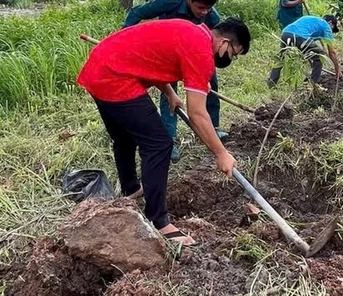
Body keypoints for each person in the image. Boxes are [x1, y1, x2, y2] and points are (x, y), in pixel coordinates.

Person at [77, 18, 251, 246]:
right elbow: (198, 114)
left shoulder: (192, 32)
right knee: (159, 144)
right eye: (233, 54)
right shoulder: (201, 51)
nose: (230, 59)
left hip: (100, 67)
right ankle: (158, 221)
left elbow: (153, 60)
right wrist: (221, 153)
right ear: (224, 43)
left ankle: (132, 189)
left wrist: (169, 93)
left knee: (124, 136)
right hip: (114, 77)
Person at [122, 0, 226, 162]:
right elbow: (137, 12)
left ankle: (214, 128)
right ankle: (171, 138)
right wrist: (122, 38)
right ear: (189, 0)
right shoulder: (168, 0)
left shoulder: (210, 14)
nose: (205, 12)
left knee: (211, 81)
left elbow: (218, 37)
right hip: (168, 54)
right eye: (200, 8)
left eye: (208, 8)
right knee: (169, 93)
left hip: (195, 54)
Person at [268, 15, 343, 86]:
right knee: (320, 56)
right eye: (332, 28)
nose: (331, 31)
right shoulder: (326, 26)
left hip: (286, 33)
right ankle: (312, 84)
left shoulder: (313, 20)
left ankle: (271, 82)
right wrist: (337, 71)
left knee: (281, 59)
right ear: (330, 22)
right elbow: (332, 53)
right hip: (300, 36)